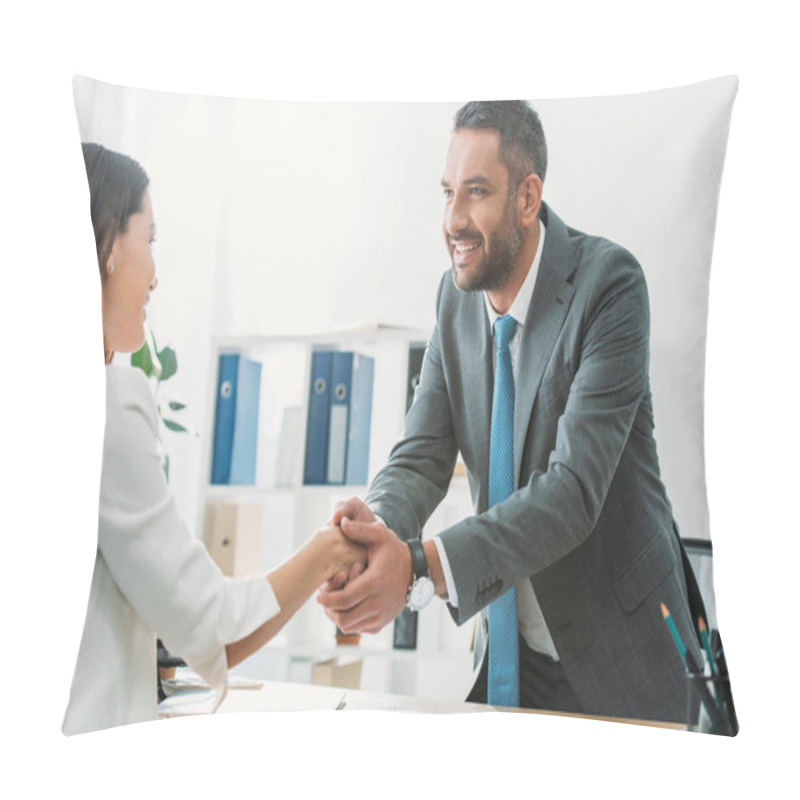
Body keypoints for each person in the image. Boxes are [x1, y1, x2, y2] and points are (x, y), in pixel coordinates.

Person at [319, 100, 705, 723]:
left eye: (476, 193)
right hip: (513, 656)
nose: (453, 220)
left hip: (622, 659)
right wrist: (374, 536)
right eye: (447, 192)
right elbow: (420, 457)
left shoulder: (609, 287)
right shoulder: (454, 297)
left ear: (528, 198)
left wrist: (417, 565)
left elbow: (573, 491)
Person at [63, 143, 365, 736]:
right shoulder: (110, 407)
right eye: (150, 240)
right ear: (105, 247)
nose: (156, 272)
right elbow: (213, 627)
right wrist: (329, 550)